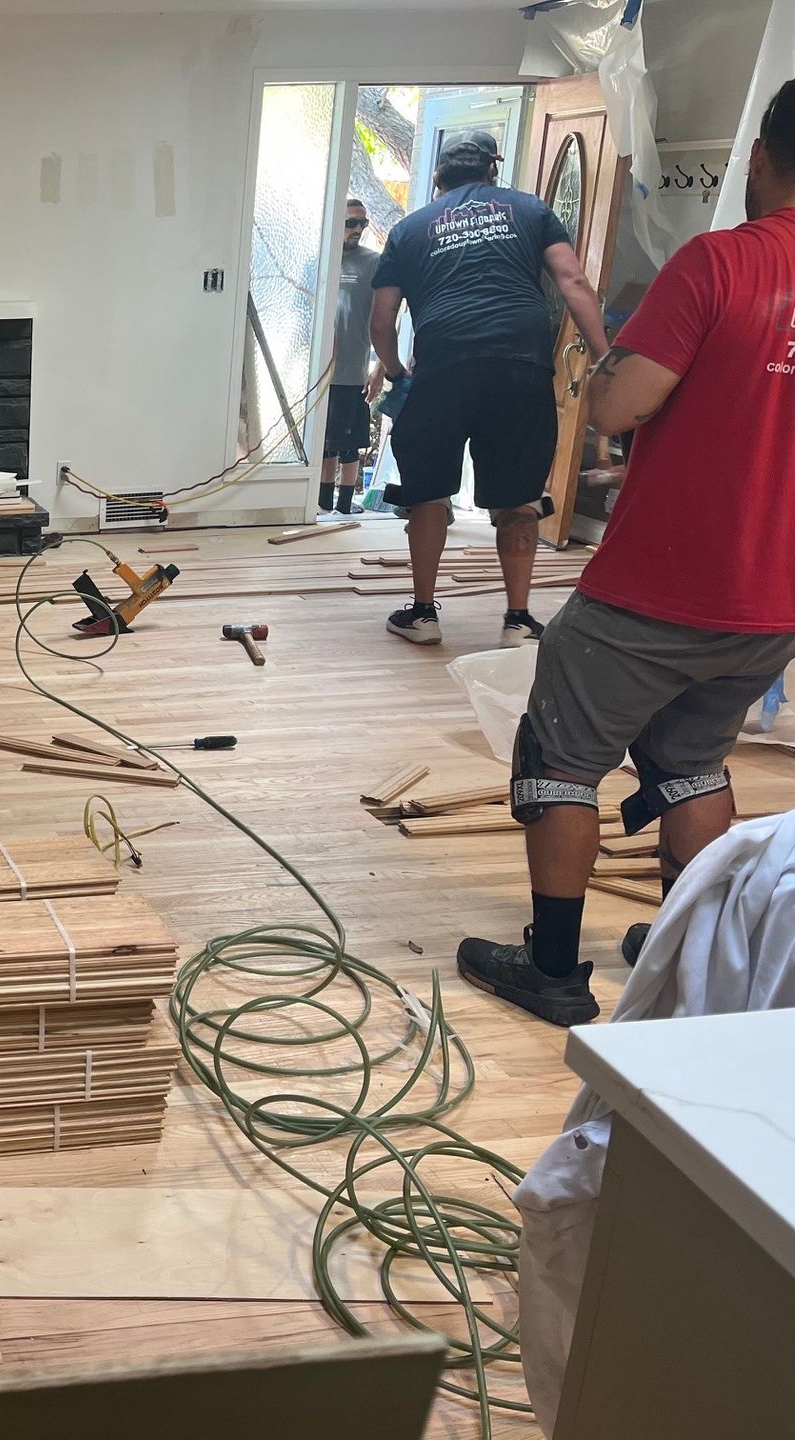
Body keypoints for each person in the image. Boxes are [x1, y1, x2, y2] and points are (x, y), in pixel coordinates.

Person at [456, 81, 795, 1026]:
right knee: (694, 761)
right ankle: (682, 946)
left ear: (760, 155)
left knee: (560, 760)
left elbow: (614, 406)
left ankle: (554, 970)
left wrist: (614, 366)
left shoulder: (719, 265)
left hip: (664, 585)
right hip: (775, 600)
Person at [369, 130, 611, 649]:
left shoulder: (409, 230)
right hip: (520, 365)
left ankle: (423, 614)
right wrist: (604, 358)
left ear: (438, 174)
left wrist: (396, 375)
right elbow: (573, 282)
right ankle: (518, 621)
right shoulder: (530, 210)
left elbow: (382, 318)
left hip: (442, 369)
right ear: (491, 169)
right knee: (519, 498)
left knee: (427, 493)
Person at [318, 199, 385, 517]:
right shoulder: (320, 259)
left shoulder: (373, 262)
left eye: (362, 223)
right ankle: (321, 503)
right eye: (350, 223)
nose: (357, 229)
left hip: (354, 371)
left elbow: (386, 317)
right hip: (320, 374)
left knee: (350, 442)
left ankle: (345, 505)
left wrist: (379, 367)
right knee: (323, 442)